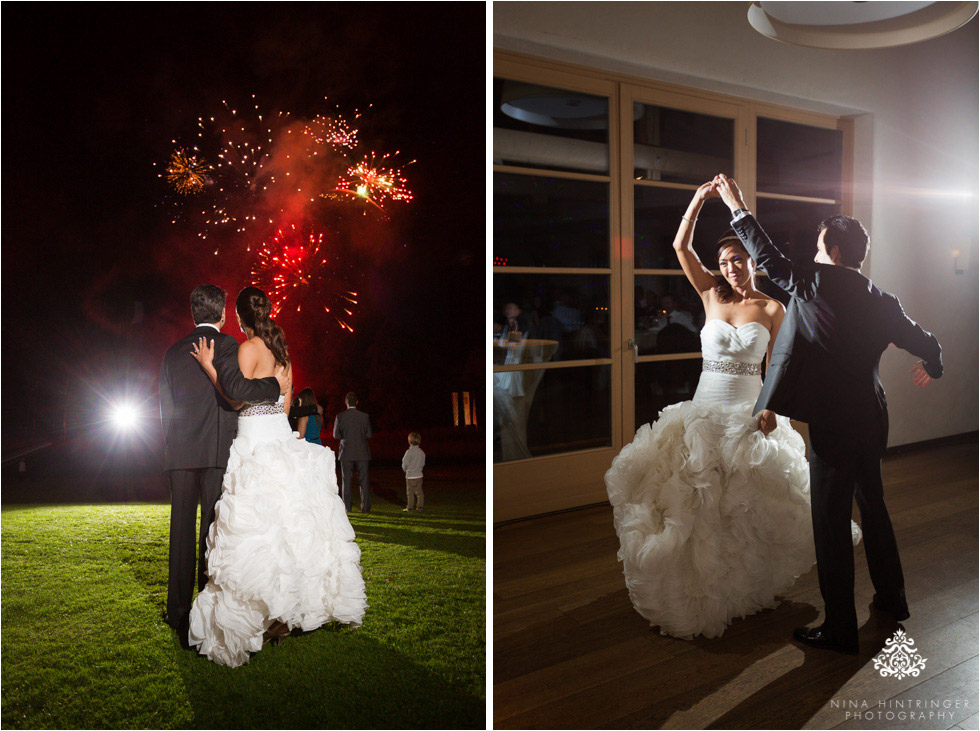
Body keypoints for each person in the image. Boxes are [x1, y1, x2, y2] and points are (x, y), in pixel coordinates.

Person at [604, 181, 861, 640]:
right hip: (704, 411)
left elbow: (781, 366)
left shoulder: (773, 307)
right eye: (723, 262)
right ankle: (700, 590)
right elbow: (680, 246)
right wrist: (699, 202)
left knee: (744, 508)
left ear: (751, 259)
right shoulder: (709, 294)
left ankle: (745, 587)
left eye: (737, 259)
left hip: (749, 410)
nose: (730, 268)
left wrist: (771, 409)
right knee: (697, 504)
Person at [712, 173, 942, 654]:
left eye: (818, 246)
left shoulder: (815, 280)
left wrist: (735, 204)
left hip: (835, 426)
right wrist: (931, 366)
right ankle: (892, 600)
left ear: (834, 251)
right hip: (872, 416)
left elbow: (767, 256)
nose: (814, 254)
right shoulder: (883, 300)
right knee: (873, 508)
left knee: (831, 522)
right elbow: (927, 343)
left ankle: (840, 628)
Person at [186, 286, 366, 667]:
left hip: (253, 437)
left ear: (239, 318)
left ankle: (264, 614)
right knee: (290, 523)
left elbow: (235, 399)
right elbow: (284, 407)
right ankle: (289, 614)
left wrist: (210, 368)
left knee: (259, 526)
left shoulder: (247, 350)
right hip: (280, 437)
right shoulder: (283, 354)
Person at [159, 284, 286, 648]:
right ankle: (205, 605)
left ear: (193, 313)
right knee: (211, 532)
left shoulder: (170, 354)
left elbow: (164, 409)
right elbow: (236, 389)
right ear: (223, 314)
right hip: (217, 450)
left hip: (180, 454)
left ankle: (177, 611)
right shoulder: (228, 345)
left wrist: (172, 449)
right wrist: (274, 387)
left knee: (181, 531)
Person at [333, 392, 373, 513]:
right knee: (364, 481)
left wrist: (345, 436)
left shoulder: (340, 417)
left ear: (346, 402)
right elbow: (369, 434)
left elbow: (335, 435)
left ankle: (347, 507)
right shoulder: (364, 416)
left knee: (347, 481)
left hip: (346, 451)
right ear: (356, 402)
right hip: (362, 452)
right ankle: (365, 508)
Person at [401, 432, 426, 513]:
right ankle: (420, 506)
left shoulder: (409, 452)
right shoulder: (421, 452)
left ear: (409, 441)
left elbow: (405, 464)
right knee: (419, 492)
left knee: (410, 493)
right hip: (419, 475)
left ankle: (410, 507)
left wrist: (405, 470)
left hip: (410, 476)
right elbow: (423, 463)